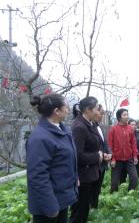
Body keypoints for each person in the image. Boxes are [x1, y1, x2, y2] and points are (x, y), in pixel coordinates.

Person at [27, 94, 78, 223]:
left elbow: (66, 160)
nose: (68, 109)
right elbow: (38, 176)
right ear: (57, 111)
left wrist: (74, 178)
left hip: (61, 198)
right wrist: (50, 207)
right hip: (48, 205)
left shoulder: (62, 130)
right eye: (66, 107)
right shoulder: (40, 138)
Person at [70, 97, 102, 223]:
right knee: (79, 212)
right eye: (96, 108)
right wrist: (97, 156)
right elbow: (77, 155)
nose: (98, 111)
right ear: (88, 110)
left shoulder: (90, 124)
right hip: (82, 177)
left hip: (90, 175)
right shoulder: (79, 127)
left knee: (84, 211)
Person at [108, 109, 139, 192]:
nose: (127, 116)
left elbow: (133, 143)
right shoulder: (113, 129)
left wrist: (135, 156)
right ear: (119, 117)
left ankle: (130, 194)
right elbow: (110, 146)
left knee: (134, 178)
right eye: (124, 115)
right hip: (117, 160)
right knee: (114, 182)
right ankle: (113, 198)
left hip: (129, 159)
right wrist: (113, 159)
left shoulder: (130, 129)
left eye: (127, 114)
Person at [91, 105, 112, 209]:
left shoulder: (99, 126)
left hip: (102, 164)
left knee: (97, 189)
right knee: (90, 190)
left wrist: (109, 153)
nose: (102, 116)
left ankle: (94, 209)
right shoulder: (88, 127)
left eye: (103, 113)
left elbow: (105, 143)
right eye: (101, 113)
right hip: (93, 164)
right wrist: (101, 153)